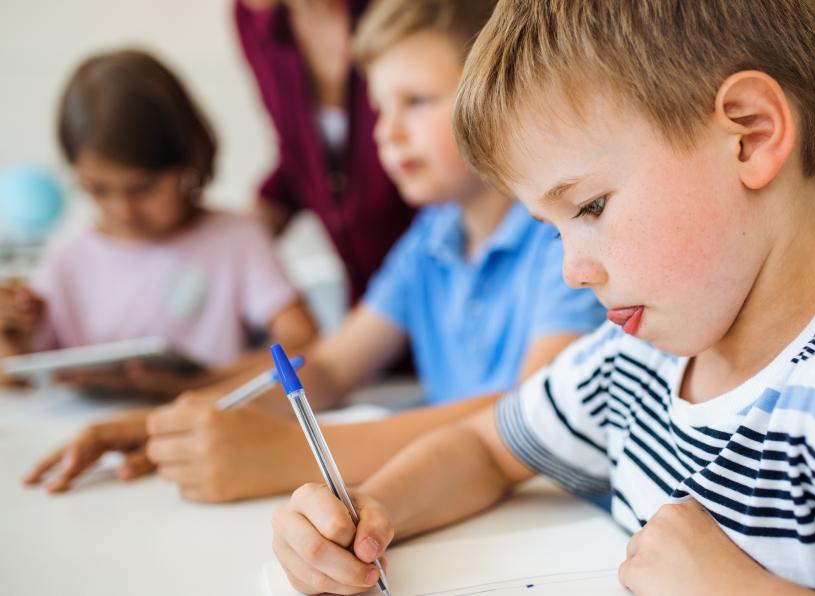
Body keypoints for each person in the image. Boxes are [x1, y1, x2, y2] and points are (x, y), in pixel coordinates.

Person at [270, 1, 815, 595]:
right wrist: (367, 513)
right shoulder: (635, 358)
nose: (574, 270)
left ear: (748, 135)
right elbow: (485, 448)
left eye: (588, 209)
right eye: (551, 229)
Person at [25, 0, 605, 504]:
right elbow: (326, 368)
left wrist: (286, 454)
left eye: (416, 101)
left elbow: (529, 413)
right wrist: (163, 424)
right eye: (380, 107)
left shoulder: (556, 236)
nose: (387, 133)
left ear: (493, 98)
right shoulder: (428, 240)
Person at [0, 49, 316, 401]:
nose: (122, 209)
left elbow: (304, 341)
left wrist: (202, 381)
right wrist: (10, 337)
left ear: (188, 161)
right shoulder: (66, 259)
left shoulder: (237, 238)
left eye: (143, 188)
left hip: (206, 427)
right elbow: (14, 378)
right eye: (97, 188)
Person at [236, 0, 413, 305]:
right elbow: (298, 157)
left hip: (432, 272)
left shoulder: (406, 13)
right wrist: (231, 241)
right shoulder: (254, 20)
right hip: (368, 295)